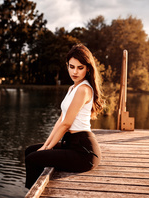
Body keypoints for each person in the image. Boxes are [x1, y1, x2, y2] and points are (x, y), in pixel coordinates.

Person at [24, 44, 105, 189]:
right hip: (71, 144)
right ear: (67, 66)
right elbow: (60, 120)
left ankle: (32, 192)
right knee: (30, 151)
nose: (75, 71)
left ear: (87, 69)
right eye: (71, 66)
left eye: (80, 68)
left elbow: (66, 124)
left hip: (84, 151)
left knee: (32, 159)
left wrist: (47, 149)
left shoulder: (84, 89)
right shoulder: (72, 88)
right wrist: (46, 145)